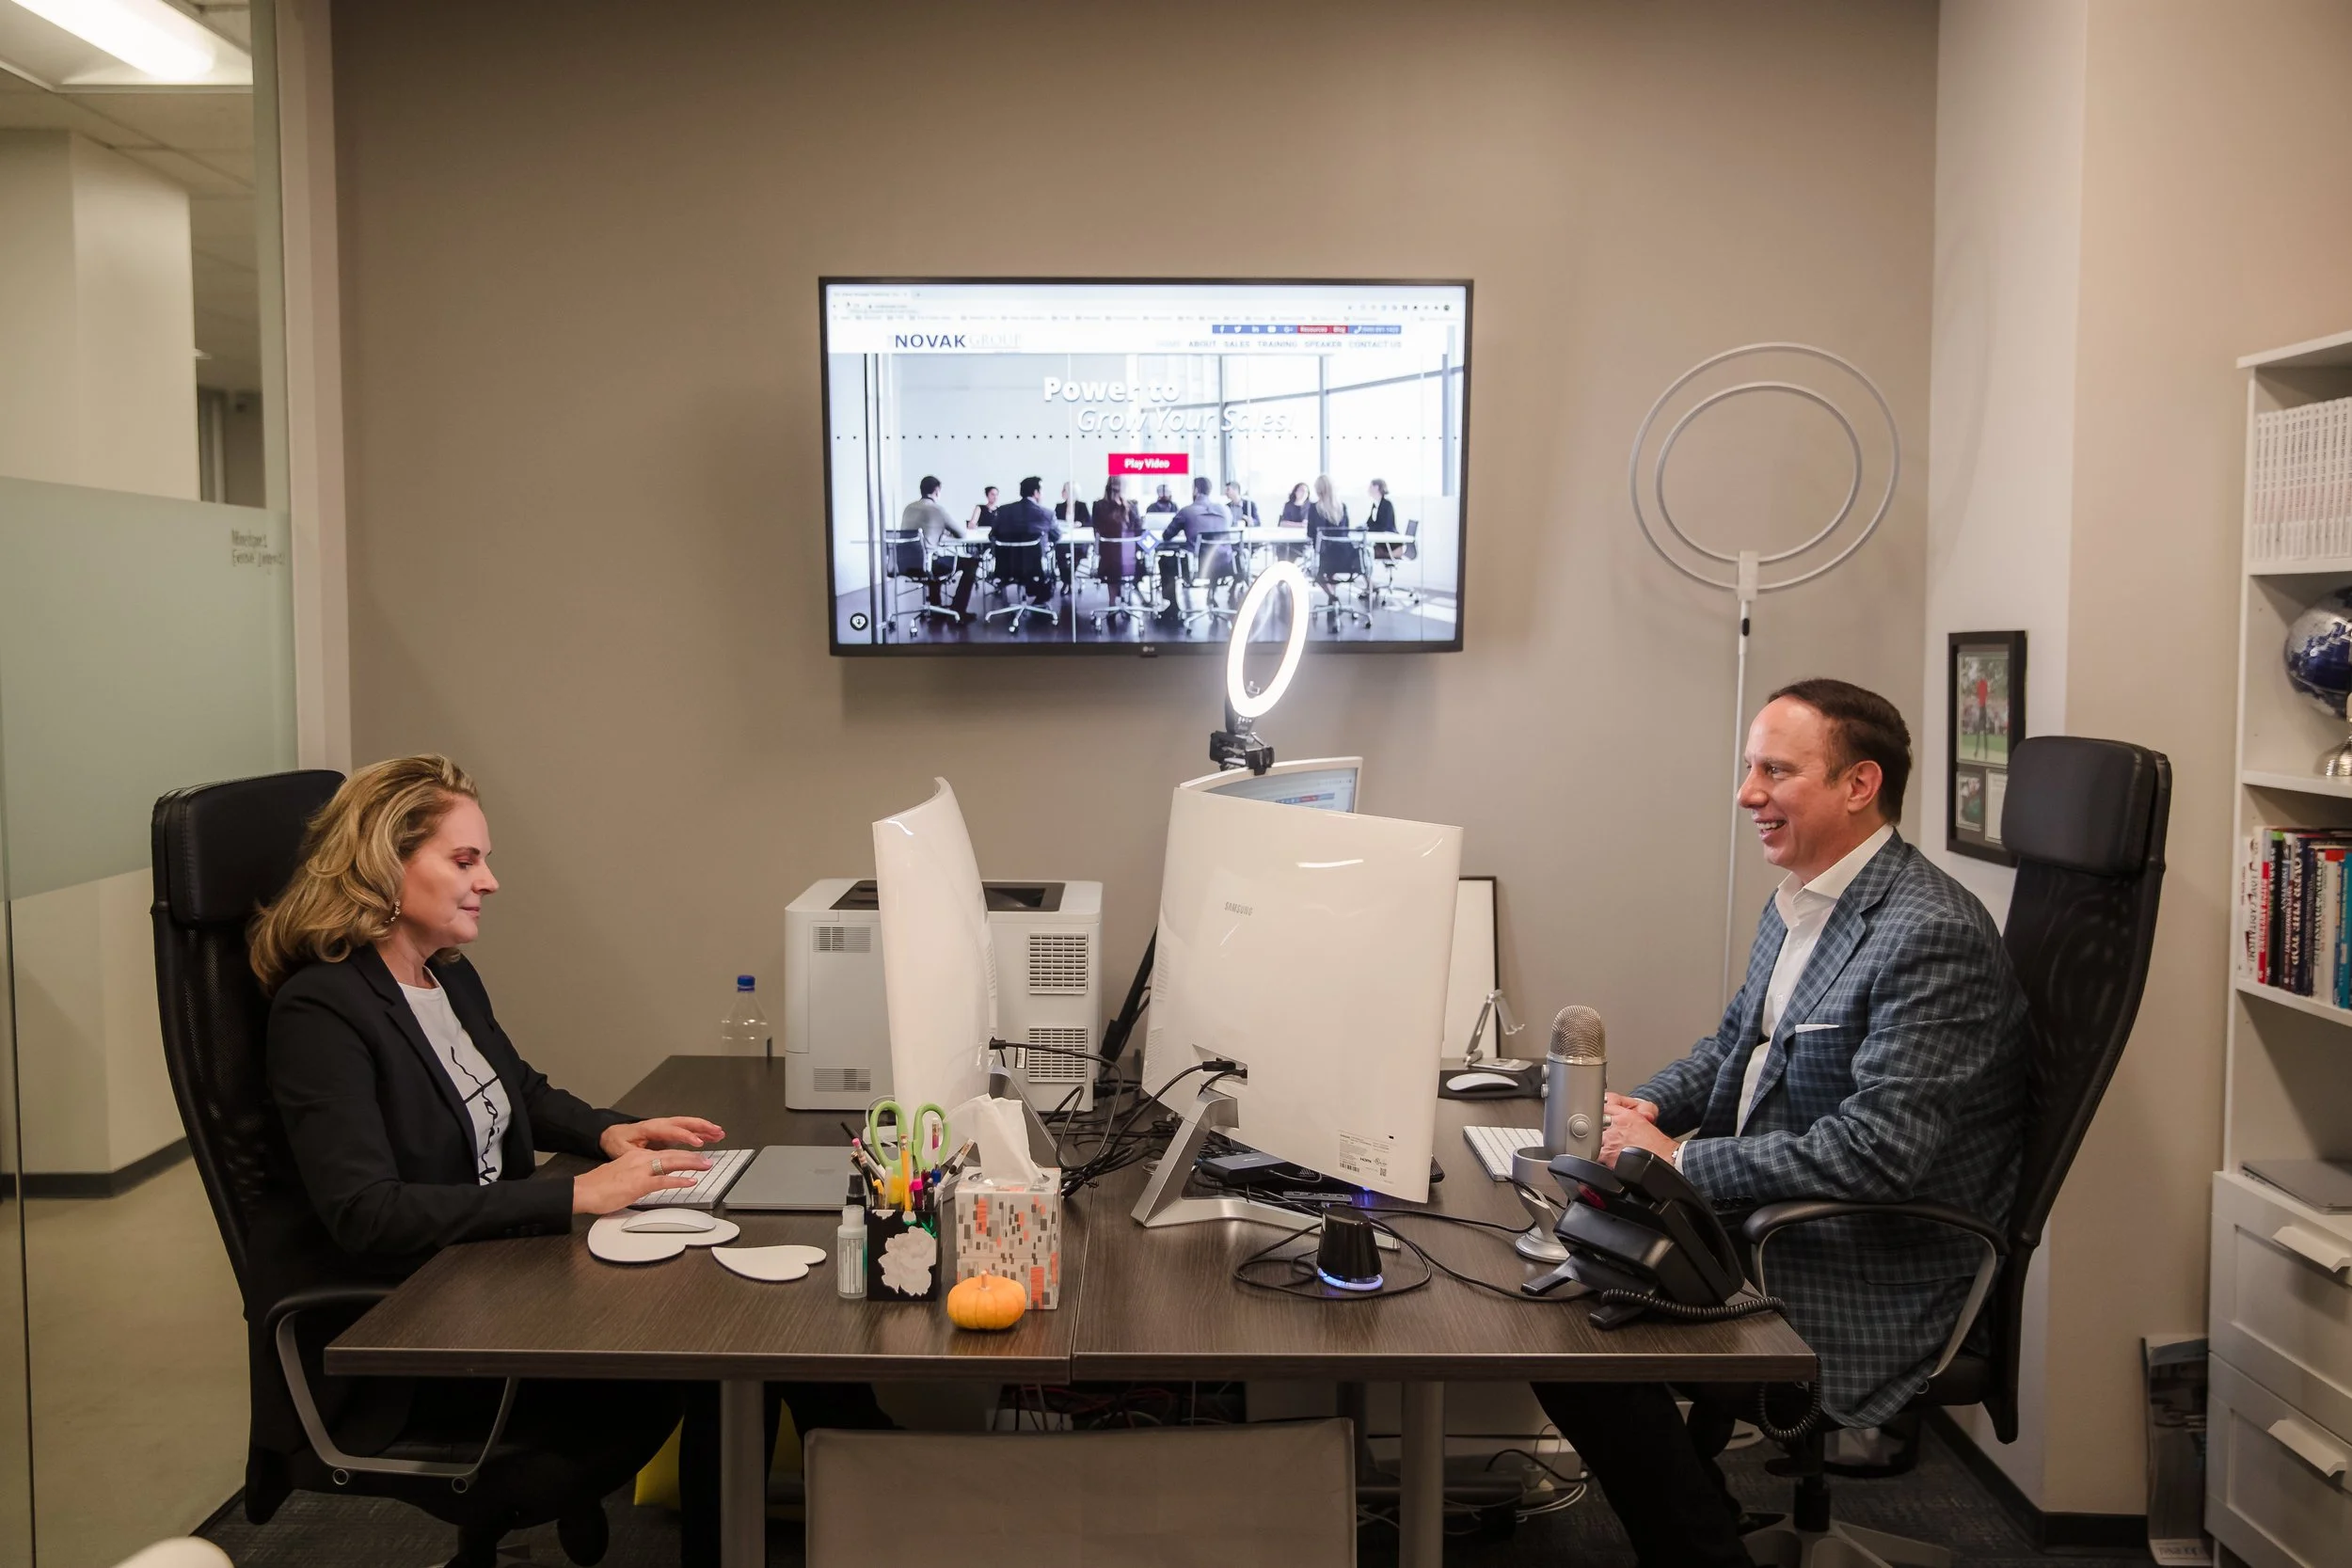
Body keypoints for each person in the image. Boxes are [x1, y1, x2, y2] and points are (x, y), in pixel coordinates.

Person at [251, 756, 888, 1568]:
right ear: (384, 863)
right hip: (419, 1329)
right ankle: (894, 1493)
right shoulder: (321, 1010)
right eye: (464, 859)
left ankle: (885, 1490)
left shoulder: (444, 976)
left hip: (491, 1272)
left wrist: (614, 1133)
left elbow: (518, 1088)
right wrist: (577, 1194)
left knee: (764, 1317)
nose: (489, 881)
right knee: (730, 1336)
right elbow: (367, 1211)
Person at [1530, 681, 2027, 1568]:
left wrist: (1681, 1159)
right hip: (1771, 1223)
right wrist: (1646, 1107)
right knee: (1562, 1279)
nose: (1747, 792)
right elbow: (1734, 1046)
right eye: (1748, 768)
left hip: (1861, 1264)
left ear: (1859, 784)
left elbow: (1880, 1152)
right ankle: (1705, 1521)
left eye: (1776, 771)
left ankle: (1701, 1548)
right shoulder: (1800, 899)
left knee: (1574, 1341)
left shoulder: (1930, 933)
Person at [1156, 475, 1233, 625]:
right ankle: (1211, 596)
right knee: (1216, 555)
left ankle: (1173, 607)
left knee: (1165, 561)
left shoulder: (1187, 511)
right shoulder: (1224, 510)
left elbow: (1166, 535)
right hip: (1225, 565)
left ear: (1196, 490)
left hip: (1198, 567)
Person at [901, 474, 977, 619]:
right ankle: (958, 611)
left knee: (934, 558)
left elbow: (918, 532)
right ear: (937, 491)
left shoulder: (908, 508)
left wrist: (938, 531)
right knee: (971, 563)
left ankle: (936, 606)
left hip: (905, 563)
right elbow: (961, 534)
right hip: (927, 564)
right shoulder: (937, 510)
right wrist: (944, 531)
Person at [986, 476, 1061, 615]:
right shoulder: (1047, 513)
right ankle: (1038, 602)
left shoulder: (1003, 510)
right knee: (1049, 570)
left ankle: (1029, 596)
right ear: (1036, 493)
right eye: (1042, 491)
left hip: (1006, 567)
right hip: (1036, 568)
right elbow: (1057, 536)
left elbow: (992, 535)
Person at [1091, 475, 1145, 596]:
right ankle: (1129, 595)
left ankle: (1112, 601)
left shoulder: (1098, 506)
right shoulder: (1132, 505)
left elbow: (1096, 531)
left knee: (1113, 560)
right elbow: (1139, 530)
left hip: (1108, 559)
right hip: (1129, 558)